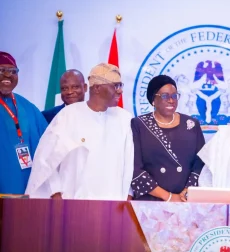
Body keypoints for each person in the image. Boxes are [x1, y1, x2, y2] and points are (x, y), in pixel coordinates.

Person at [25, 63, 133, 200]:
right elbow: (45, 160)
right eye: (115, 86)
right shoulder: (67, 116)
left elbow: (131, 164)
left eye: (121, 85)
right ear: (98, 88)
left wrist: (129, 195)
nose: (120, 91)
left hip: (114, 204)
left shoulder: (125, 119)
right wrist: (55, 194)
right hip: (73, 203)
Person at [130, 75, 205, 202]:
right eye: (165, 96)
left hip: (185, 202)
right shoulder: (139, 125)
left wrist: (188, 191)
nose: (171, 100)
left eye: (175, 96)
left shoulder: (191, 124)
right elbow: (134, 168)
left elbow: (200, 164)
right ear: (153, 99)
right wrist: (168, 197)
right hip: (150, 202)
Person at [0, 51, 48, 195]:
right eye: (2, 70)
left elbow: (48, 145)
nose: (8, 75)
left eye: (13, 71)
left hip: (29, 193)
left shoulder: (29, 107)